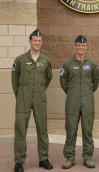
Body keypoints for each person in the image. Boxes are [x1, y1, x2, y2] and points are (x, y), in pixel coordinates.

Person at [11, 29, 53, 172]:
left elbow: (48, 78)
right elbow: (14, 80)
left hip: (40, 99)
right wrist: (21, 94)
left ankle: (44, 158)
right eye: (34, 40)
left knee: (42, 129)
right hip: (23, 98)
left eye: (39, 41)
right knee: (20, 130)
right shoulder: (20, 60)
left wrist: (39, 91)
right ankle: (19, 161)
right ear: (30, 41)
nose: (37, 43)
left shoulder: (46, 61)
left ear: (42, 42)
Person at [59, 35, 99, 169]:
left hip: (88, 101)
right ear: (75, 46)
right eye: (79, 45)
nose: (81, 47)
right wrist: (72, 92)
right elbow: (63, 81)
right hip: (72, 102)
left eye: (83, 45)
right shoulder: (67, 63)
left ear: (86, 47)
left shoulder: (92, 64)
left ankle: (87, 157)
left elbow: (95, 82)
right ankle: (69, 157)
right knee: (71, 129)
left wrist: (86, 93)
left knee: (87, 130)